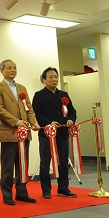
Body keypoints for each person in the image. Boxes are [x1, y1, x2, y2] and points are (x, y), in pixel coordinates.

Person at [0, 59, 40, 205]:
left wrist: (34, 122)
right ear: (2, 71)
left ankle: (22, 193)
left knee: (22, 165)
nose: (13, 70)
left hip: (24, 133)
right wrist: (16, 122)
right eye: (9, 68)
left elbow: (29, 108)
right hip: (8, 132)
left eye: (15, 68)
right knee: (7, 166)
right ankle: (7, 195)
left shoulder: (22, 88)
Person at [32, 67, 78, 199]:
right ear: (44, 80)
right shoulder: (39, 95)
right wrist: (49, 123)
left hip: (62, 133)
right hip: (46, 135)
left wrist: (71, 119)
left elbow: (72, 111)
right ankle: (46, 190)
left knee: (63, 161)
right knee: (45, 162)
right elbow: (36, 115)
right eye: (51, 77)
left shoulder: (64, 94)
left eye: (56, 77)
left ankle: (63, 188)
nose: (54, 79)